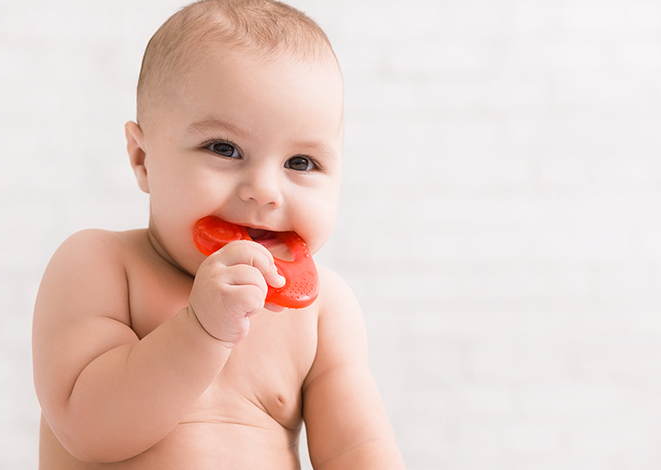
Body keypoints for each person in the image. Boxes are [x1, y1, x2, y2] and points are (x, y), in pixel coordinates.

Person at [31, 1, 404, 468]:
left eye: (301, 162)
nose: (265, 191)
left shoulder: (324, 311)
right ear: (143, 158)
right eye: (225, 149)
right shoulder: (100, 265)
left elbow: (357, 450)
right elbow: (86, 429)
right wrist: (202, 329)